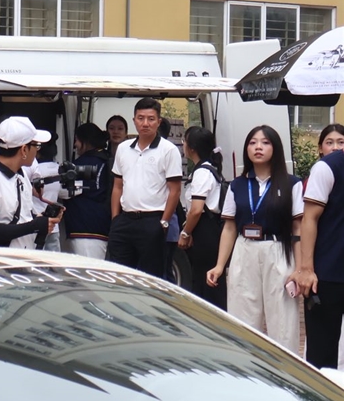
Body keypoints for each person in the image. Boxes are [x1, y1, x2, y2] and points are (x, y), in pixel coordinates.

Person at [207, 125, 303, 354]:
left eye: (265, 142)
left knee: (283, 318)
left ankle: (284, 370)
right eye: (252, 142)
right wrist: (220, 265)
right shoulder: (237, 185)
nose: (258, 147)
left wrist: (300, 268)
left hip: (278, 249)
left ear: (275, 148)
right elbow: (229, 227)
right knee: (242, 316)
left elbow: (298, 227)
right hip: (245, 249)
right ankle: (244, 368)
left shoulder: (291, 183)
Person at [106, 98, 182, 276]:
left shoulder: (168, 150)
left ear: (158, 122)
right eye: (140, 118)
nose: (145, 123)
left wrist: (164, 222)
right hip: (125, 220)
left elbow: (175, 190)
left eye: (151, 119)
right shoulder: (123, 148)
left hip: (153, 220)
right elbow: (118, 186)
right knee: (120, 274)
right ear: (134, 120)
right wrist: (115, 219)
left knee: (151, 276)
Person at [292, 124, 344, 369]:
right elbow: (309, 219)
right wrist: (306, 268)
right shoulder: (327, 168)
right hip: (328, 273)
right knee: (322, 356)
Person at [0, 117, 57, 249]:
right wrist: (35, 226)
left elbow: (24, 217)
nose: (37, 151)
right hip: (0, 260)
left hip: (21, 257)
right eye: (36, 146)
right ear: (24, 150)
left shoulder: (21, 175)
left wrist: (43, 219)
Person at [178, 127, 227, 309]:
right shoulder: (207, 169)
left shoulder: (202, 172)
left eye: (184, 141)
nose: (183, 145)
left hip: (205, 230)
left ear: (192, 147)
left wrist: (185, 233)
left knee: (206, 280)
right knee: (203, 279)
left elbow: (196, 210)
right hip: (206, 229)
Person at [62, 122, 111, 259]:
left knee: (87, 270)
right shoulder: (107, 160)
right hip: (103, 227)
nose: (75, 145)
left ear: (85, 141)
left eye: (77, 140)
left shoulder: (82, 164)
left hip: (85, 230)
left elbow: (64, 191)